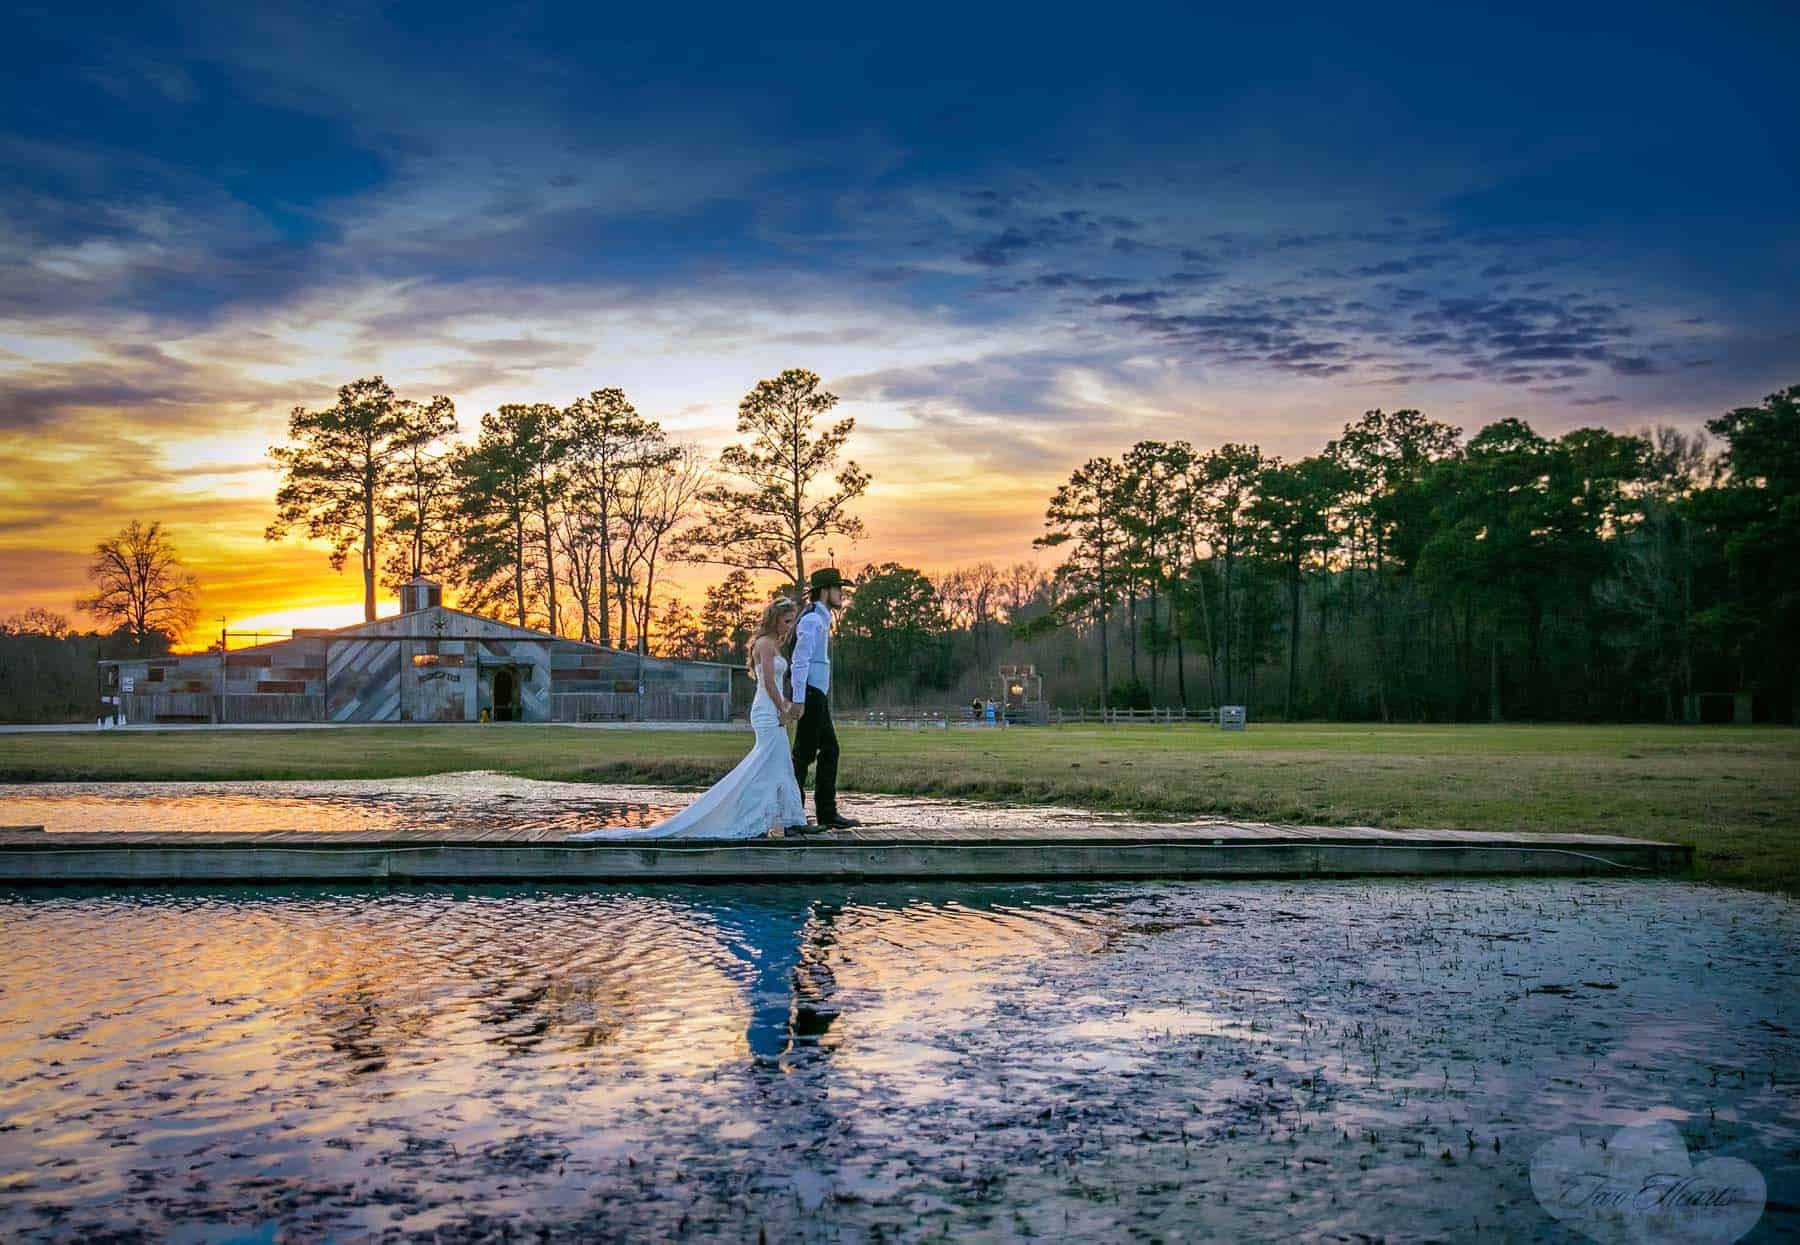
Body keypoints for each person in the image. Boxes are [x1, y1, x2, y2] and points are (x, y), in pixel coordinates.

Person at [573, 598, 808, 839]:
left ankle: (789, 819)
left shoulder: (772, 644)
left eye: (792, 622)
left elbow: (776, 683)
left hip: (772, 707)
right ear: (775, 619)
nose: (789, 627)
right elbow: (768, 682)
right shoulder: (766, 644)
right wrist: (783, 709)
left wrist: (786, 706)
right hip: (767, 711)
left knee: (779, 764)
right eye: (787, 621)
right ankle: (757, 819)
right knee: (770, 764)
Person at [790, 567, 860, 829]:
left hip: (817, 693)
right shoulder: (811, 621)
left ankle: (825, 813)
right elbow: (799, 660)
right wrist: (799, 699)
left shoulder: (822, 618)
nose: (841, 593)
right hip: (810, 694)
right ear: (824, 592)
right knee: (804, 755)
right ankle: (795, 815)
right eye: (837, 589)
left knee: (827, 750)